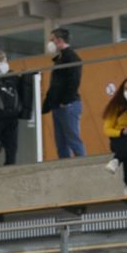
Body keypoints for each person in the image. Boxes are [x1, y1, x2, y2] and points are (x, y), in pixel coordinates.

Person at [42, 28, 85, 158]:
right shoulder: (59, 59)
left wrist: (65, 101)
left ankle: (82, 165)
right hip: (58, 105)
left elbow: (74, 81)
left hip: (68, 104)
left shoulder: (71, 57)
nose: (50, 43)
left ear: (59, 41)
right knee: (61, 143)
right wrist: (48, 104)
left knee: (73, 139)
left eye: (52, 40)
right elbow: (55, 85)